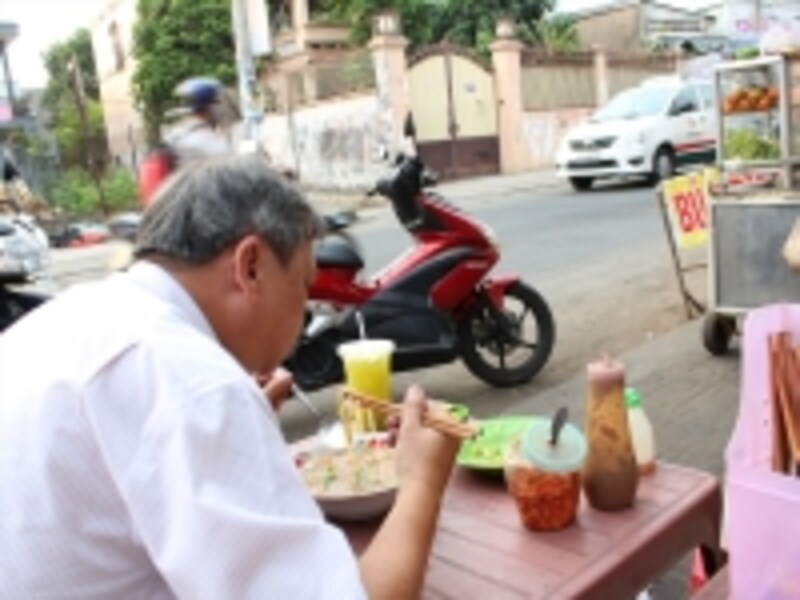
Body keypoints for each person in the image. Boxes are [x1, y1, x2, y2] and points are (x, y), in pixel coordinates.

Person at [0, 155, 459, 598]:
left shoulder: (68, 318)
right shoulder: (193, 381)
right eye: (303, 284)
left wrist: (239, 426)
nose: (305, 311)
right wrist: (421, 479)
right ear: (251, 266)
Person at [165, 77, 233, 165]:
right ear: (210, 106)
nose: (222, 109)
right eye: (218, 102)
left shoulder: (174, 135)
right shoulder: (209, 141)